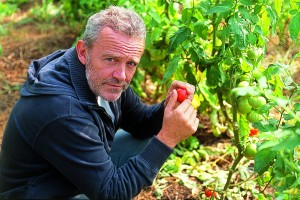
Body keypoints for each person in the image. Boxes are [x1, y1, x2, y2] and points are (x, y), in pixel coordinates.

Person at [0, 6, 199, 199]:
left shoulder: (98, 77)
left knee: (145, 141)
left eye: (130, 63)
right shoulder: (62, 110)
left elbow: (140, 123)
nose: (121, 76)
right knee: (155, 146)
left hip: (65, 176)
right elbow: (112, 193)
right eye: (111, 59)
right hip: (39, 193)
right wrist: (168, 138)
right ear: (83, 52)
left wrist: (167, 108)